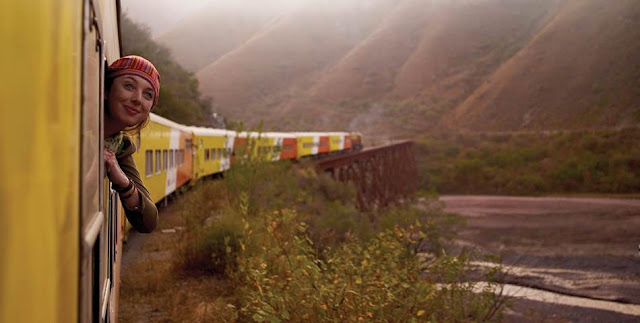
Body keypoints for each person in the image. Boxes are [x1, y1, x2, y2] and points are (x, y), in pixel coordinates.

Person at [104, 55, 159, 233]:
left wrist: (122, 181)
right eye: (129, 86)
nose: (138, 99)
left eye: (148, 95)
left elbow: (148, 222)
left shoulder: (120, 146)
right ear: (106, 90)